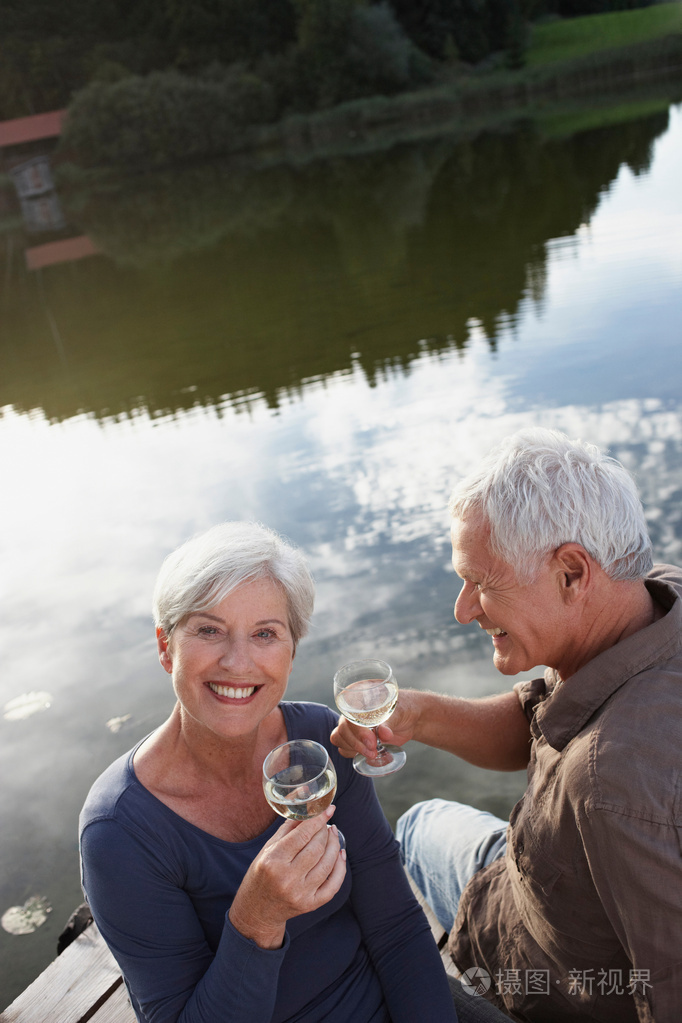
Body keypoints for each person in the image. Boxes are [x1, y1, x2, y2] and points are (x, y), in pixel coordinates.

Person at [332, 428, 682, 1022]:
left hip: (550, 986)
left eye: (483, 583)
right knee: (419, 822)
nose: (463, 609)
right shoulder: (652, 597)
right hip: (518, 889)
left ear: (572, 573)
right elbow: (543, 720)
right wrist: (417, 714)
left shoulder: (610, 784)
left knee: (361, 989)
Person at [79, 521, 459, 1023]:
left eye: (265, 634)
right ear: (165, 646)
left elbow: (395, 927)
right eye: (209, 629)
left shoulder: (325, 742)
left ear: (292, 652)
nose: (238, 662)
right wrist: (256, 918)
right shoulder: (120, 831)